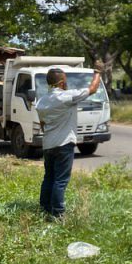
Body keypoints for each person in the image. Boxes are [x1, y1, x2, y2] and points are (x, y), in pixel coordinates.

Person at [35, 67, 101, 218]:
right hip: (64, 144)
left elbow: (43, 124)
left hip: (48, 144)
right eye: (65, 80)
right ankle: (58, 214)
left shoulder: (41, 101)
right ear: (62, 81)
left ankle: (44, 209)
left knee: (49, 177)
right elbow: (92, 89)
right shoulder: (66, 97)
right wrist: (98, 72)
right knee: (60, 181)